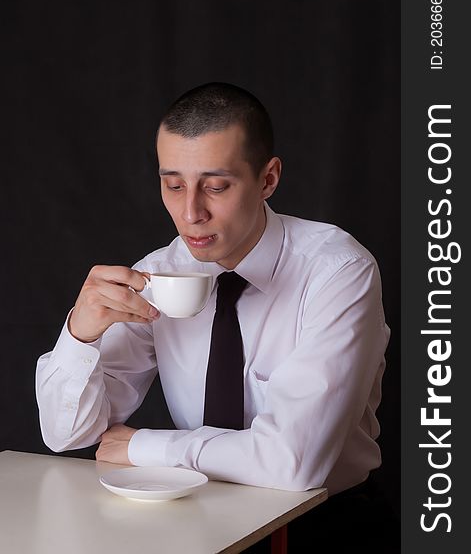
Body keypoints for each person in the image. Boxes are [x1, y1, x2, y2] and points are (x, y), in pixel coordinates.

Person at [36, 82, 394, 550]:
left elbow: (293, 463)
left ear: (268, 179)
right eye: (173, 184)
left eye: (217, 186)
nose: (190, 213)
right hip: (199, 522)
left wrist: (145, 447)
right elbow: (67, 435)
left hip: (325, 527)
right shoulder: (159, 274)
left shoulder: (338, 271)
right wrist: (79, 337)